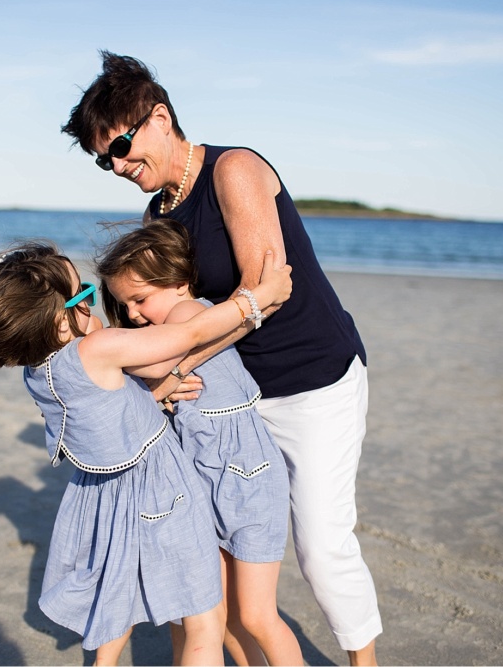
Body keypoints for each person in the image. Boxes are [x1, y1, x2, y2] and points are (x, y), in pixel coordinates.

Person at [63, 51, 382, 665]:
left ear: (160, 117)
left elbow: (271, 291)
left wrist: (177, 363)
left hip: (313, 380)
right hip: (236, 399)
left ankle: (364, 662)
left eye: (123, 146)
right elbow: (177, 312)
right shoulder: (159, 213)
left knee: (320, 544)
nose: (118, 165)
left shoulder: (233, 170)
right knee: (224, 575)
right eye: (104, 159)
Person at [0, 241, 291, 666]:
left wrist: (160, 390)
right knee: (205, 622)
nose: (92, 304)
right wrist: (256, 300)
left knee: (116, 594)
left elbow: (110, 413)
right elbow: (187, 335)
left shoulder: (38, 373)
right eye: (84, 295)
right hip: (163, 492)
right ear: (60, 322)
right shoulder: (97, 349)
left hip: (106, 500)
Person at [96, 219, 302, 666]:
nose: (132, 314)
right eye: (123, 305)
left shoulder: (188, 315)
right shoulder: (175, 320)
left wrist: (100, 348)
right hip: (209, 479)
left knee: (257, 614)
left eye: (139, 299)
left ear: (180, 282)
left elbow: (155, 364)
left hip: (245, 476)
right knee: (225, 614)